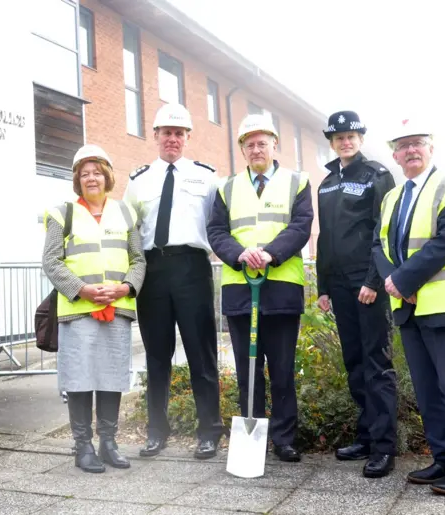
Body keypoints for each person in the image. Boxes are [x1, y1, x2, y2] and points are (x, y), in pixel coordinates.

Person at [372, 119, 445, 495]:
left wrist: (403, 281)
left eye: (418, 142)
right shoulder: (391, 198)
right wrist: (395, 282)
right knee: (427, 391)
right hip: (408, 308)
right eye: (403, 145)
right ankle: (444, 459)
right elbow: (378, 245)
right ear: (394, 155)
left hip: (444, 304)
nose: (411, 150)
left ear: (431, 148)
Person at [207, 114, 313, 462]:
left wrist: (270, 253)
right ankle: (253, 439)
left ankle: (283, 439)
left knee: (282, 369)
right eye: (249, 144)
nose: (256, 149)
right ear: (242, 148)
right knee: (247, 369)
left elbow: (301, 226)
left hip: (281, 288)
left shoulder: (297, 182)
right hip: (241, 290)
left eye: (262, 142)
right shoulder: (227, 187)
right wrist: (241, 254)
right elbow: (217, 232)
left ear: (274, 144)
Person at [123, 103, 223, 460]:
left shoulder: (207, 177)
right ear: (155, 136)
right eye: (166, 132)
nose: (173, 139)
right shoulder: (138, 180)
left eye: (179, 133)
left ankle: (209, 431)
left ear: (187, 138)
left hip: (193, 268)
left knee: (201, 353)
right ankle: (156, 431)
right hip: (153, 271)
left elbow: (219, 225)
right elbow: (129, 231)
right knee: (157, 356)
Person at [42, 144, 146, 473]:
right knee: (79, 377)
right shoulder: (63, 214)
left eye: (97, 172)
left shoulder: (126, 213)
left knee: (111, 375)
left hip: (117, 308)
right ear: (77, 179)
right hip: (78, 310)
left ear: (107, 176)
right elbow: (51, 262)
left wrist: (126, 287)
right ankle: (83, 446)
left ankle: (109, 443)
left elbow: (138, 260)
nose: (91, 178)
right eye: (84, 173)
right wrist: (83, 289)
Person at [317, 111, 397, 478]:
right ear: (331, 142)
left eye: (351, 136)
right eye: (338, 137)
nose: (345, 142)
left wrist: (373, 280)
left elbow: (384, 230)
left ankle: (384, 447)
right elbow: (325, 237)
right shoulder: (327, 183)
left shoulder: (377, 175)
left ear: (361, 138)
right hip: (339, 285)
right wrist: (322, 287)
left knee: (376, 364)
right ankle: (366, 436)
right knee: (354, 362)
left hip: (367, 284)